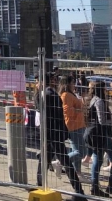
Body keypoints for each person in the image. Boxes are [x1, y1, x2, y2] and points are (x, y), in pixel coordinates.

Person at [37, 72, 85, 201]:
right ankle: (79, 192)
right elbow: (59, 116)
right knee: (66, 163)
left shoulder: (40, 94)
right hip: (55, 133)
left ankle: (39, 184)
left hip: (47, 133)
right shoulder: (52, 95)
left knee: (45, 159)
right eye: (54, 79)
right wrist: (63, 131)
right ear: (51, 81)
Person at [87, 80, 112, 198]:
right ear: (101, 90)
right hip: (100, 134)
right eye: (105, 88)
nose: (106, 90)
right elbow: (102, 120)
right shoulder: (99, 101)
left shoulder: (94, 99)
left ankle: (95, 186)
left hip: (95, 133)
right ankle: (110, 185)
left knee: (98, 159)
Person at [59, 75, 90, 176]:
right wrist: (80, 109)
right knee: (82, 152)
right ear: (67, 84)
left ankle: (78, 173)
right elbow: (67, 111)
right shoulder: (66, 95)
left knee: (77, 150)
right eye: (72, 83)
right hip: (75, 126)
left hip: (78, 125)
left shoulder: (70, 94)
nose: (74, 85)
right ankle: (60, 163)